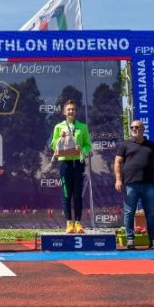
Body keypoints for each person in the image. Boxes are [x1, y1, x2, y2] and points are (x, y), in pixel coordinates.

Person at [114, 120, 154, 250]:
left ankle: (153, 240)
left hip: (148, 184)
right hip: (130, 184)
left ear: (143, 129)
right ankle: (130, 240)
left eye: (137, 127)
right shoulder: (125, 145)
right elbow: (117, 162)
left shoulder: (151, 145)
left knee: (150, 213)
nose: (134, 129)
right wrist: (118, 180)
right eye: (132, 127)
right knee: (129, 212)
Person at [49, 100, 92, 234]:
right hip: (65, 163)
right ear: (64, 112)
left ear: (76, 111)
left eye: (73, 109)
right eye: (68, 109)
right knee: (67, 194)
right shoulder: (58, 127)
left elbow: (88, 145)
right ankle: (69, 224)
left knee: (78, 194)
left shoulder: (82, 127)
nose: (71, 111)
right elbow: (52, 144)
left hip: (78, 163)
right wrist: (59, 139)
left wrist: (82, 150)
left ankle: (78, 223)